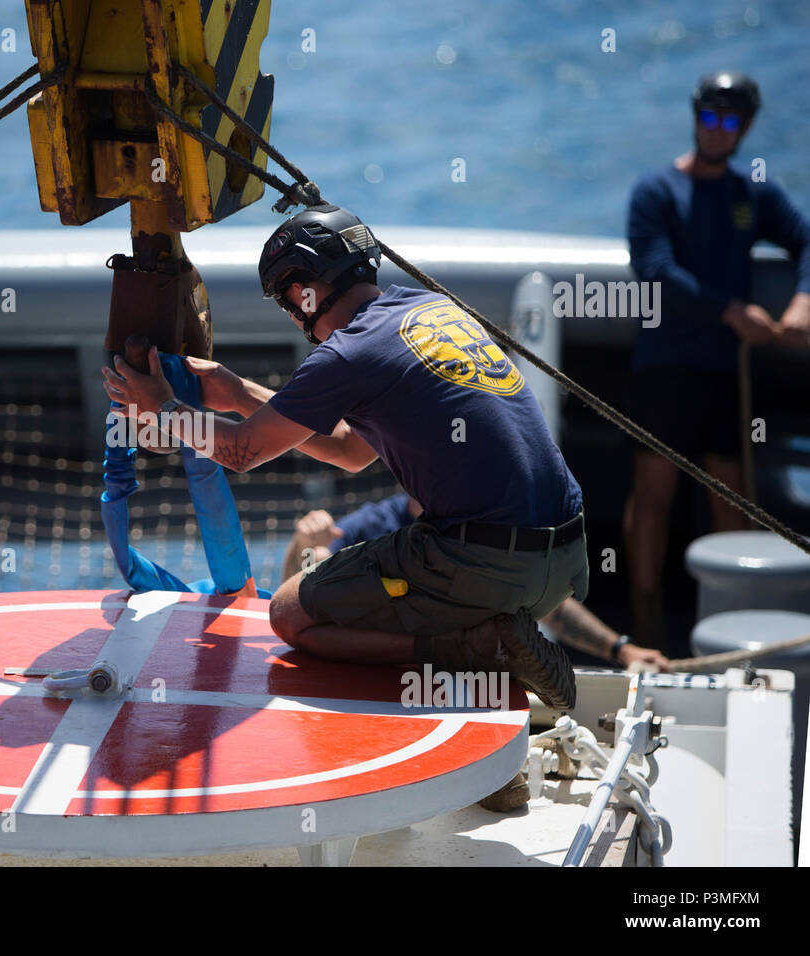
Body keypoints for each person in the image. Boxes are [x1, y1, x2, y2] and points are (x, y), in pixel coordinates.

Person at [103, 203, 588, 713]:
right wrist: (239, 391)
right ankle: (492, 638)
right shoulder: (433, 311)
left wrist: (162, 407)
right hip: (564, 559)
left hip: (490, 564)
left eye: (286, 301)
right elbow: (349, 450)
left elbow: (240, 452)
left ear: (301, 289)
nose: (293, 316)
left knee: (292, 614)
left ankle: (480, 644)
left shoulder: (348, 352)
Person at [625, 71, 810, 648]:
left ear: (746, 129)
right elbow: (654, 270)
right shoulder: (655, 190)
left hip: (726, 374)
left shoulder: (754, 193)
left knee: (730, 493)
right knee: (653, 493)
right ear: (695, 117)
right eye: (709, 117)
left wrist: (802, 301)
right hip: (663, 366)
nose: (717, 129)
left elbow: (806, 240)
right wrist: (731, 310)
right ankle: (645, 619)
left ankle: (736, 621)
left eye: (730, 121)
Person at [283, 493, 670, 671]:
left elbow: (550, 605)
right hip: (385, 670)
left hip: (464, 680)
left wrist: (621, 650)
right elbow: (298, 590)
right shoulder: (374, 524)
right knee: (318, 562)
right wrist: (303, 543)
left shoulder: (483, 530)